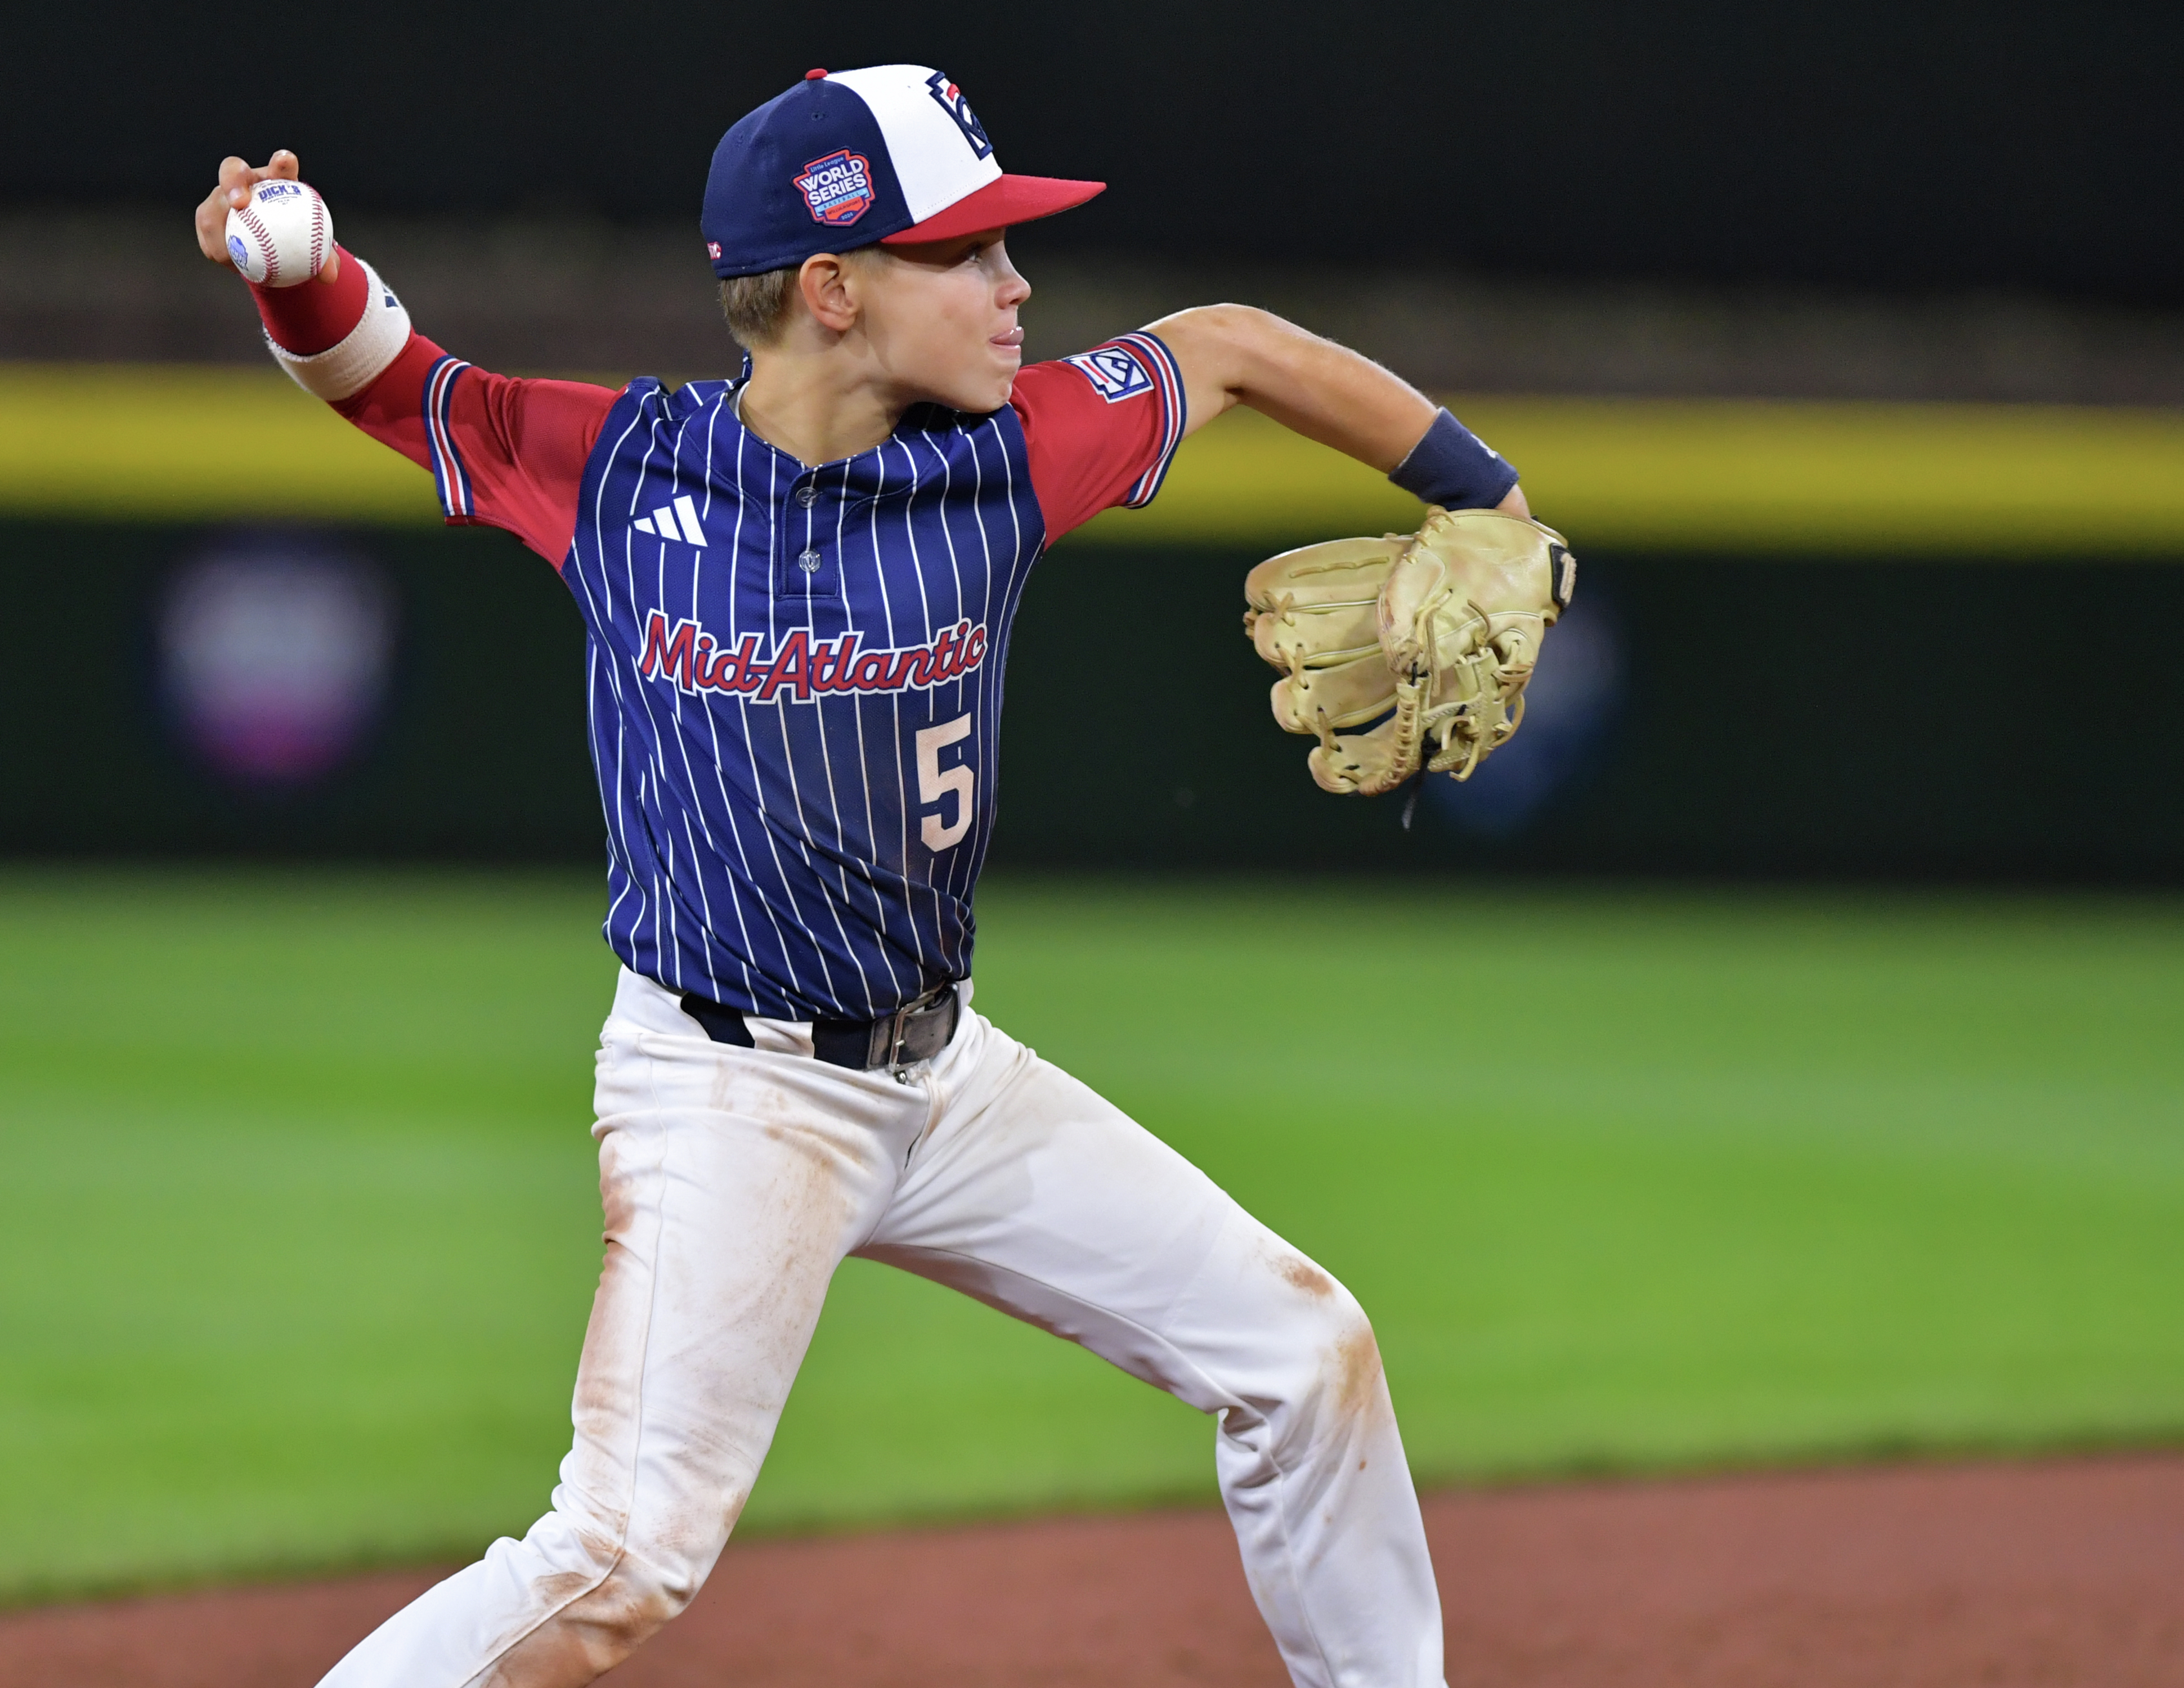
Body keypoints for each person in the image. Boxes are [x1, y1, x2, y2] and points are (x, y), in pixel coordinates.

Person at [195, 64, 1531, 1688]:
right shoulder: (624, 468)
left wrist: (1486, 495)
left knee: (1305, 1356)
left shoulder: (1016, 453)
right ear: (832, 290)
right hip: (726, 1096)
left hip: (947, 1079)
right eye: (966, 254)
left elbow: (1233, 345)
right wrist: (299, 267)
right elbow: (397, 385)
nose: (1015, 284)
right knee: (616, 1563)